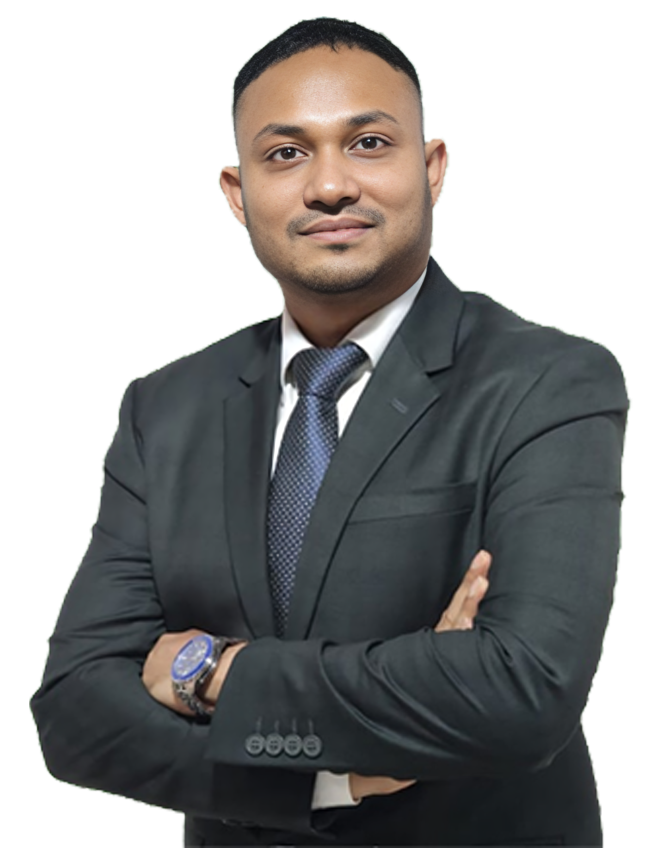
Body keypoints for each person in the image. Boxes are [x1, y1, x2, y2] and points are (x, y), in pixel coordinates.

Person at [31, 16, 628, 848]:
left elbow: (523, 689)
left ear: (432, 168)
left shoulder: (546, 380)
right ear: (237, 194)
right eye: (286, 153)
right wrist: (328, 781)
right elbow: (74, 713)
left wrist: (210, 669)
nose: (330, 186)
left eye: (369, 144)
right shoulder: (166, 407)